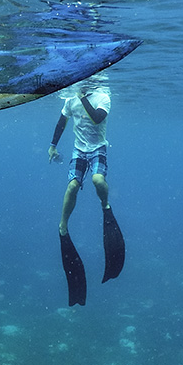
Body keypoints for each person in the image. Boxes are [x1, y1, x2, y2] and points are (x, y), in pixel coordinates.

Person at [47, 74, 124, 306]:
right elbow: (62, 122)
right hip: (79, 151)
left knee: (98, 181)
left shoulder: (103, 96)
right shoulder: (70, 99)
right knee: (72, 186)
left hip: (98, 148)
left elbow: (98, 118)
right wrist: (52, 146)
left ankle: (105, 205)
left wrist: (82, 98)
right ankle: (62, 226)